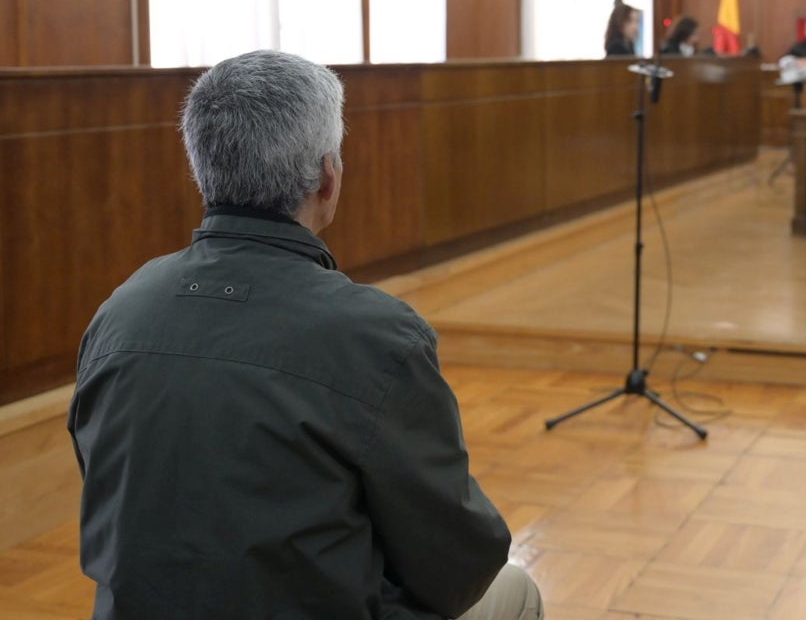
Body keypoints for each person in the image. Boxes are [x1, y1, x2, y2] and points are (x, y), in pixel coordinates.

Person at [68, 51, 542, 620]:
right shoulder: (381, 336)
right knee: (516, 590)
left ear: (202, 170)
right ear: (327, 176)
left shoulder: (120, 311)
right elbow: (459, 565)